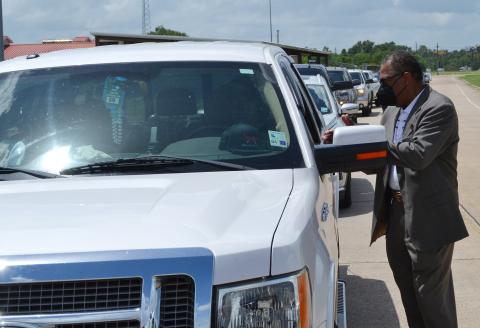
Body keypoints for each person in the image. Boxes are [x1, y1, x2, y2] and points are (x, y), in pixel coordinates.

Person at [370, 51, 468, 327]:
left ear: (407, 78)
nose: (382, 89)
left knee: (431, 297)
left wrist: (373, 145)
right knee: (409, 291)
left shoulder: (439, 108)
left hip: (428, 216)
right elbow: (380, 163)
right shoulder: (390, 112)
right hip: (397, 212)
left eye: (386, 81)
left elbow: (418, 154)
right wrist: (349, 140)